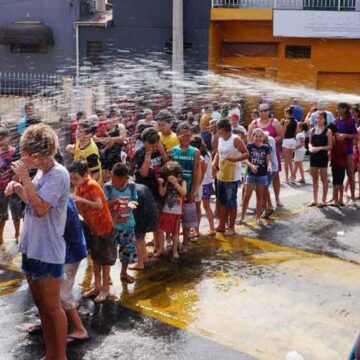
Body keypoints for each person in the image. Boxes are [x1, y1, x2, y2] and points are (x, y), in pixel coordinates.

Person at [5, 123, 70, 359]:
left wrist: (24, 178)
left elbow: (42, 208)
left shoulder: (59, 174)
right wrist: (19, 189)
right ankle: (50, 352)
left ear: (38, 154)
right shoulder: (42, 172)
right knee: (41, 305)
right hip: (32, 246)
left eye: (24, 153)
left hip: (47, 250)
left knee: (53, 308)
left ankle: (59, 355)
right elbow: (35, 200)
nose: (21, 156)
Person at [68, 160, 116, 303]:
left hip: (104, 228)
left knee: (105, 261)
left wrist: (80, 200)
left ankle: (105, 289)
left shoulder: (91, 185)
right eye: (71, 178)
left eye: (75, 177)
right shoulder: (79, 187)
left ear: (85, 175)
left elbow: (99, 205)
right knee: (95, 259)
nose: (73, 181)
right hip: (92, 229)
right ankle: (97, 286)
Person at [213, 119, 248, 235]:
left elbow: (246, 153)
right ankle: (222, 225)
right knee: (222, 201)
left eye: (217, 129)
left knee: (231, 201)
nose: (216, 131)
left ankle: (231, 227)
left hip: (232, 175)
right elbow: (218, 153)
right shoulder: (220, 138)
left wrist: (236, 159)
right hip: (221, 174)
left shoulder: (235, 139)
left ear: (222, 129)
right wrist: (214, 164)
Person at [104, 163, 138, 283]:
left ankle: (123, 273)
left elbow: (135, 200)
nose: (112, 180)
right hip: (112, 226)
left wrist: (131, 204)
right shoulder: (108, 187)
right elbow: (104, 205)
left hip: (127, 224)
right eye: (112, 177)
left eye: (115, 179)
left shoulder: (132, 186)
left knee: (127, 251)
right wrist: (115, 202)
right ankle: (106, 276)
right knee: (109, 252)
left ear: (125, 178)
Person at [62, 197, 89, 345]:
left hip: (69, 254)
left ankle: (80, 330)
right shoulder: (62, 197)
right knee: (54, 292)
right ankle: (48, 321)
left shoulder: (60, 201)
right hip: (68, 252)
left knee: (62, 294)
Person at [170, 122, 200, 252]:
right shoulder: (173, 151)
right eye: (184, 135)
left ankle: (185, 243)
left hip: (188, 189)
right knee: (174, 218)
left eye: (189, 135)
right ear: (178, 136)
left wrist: (192, 192)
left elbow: (196, 173)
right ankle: (173, 242)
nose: (186, 138)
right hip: (175, 190)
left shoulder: (195, 152)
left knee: (187, 219)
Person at [247, 103, 283, 207]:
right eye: (261, 110)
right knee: (259, 177)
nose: (264, 112)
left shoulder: (274, 122)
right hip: (258, 154)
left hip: (272, 153)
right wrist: (257, 145)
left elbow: (280, 136)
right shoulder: (254, 123)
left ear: (269, 111)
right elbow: (249, 138)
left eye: (266, 110)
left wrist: (268, 141)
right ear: (258, 112)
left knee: (275, 176)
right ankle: (264, 202)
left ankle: (277, 199)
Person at [240, 128, 271, 225]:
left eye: (260, 136)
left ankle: (258, 218)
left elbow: (268, 161)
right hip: (251, 174)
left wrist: (269, 167)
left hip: (262, 174)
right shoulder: (249, 146)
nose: (258, 138)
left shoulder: (266, 147)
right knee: (246, 196)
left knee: (260, 196)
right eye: (256, 136)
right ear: (252, 137)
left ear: (263, 138)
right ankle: (242, 217)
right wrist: (251, 166)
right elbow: (244, 159)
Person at [157, 161, 187, 259]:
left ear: (178, 174)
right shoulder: (167, 182)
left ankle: (174, 251)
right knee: (160, 229)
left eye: (174, 176)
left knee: (175, 232)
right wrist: (161, 184)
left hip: (176, 212)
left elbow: (183, 193)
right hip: (166, 210)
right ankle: (161, 248)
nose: (171, 178)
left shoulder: (182, 182)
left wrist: (176, 183)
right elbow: (162, 193)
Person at [0, 126, 22, 244]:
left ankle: (17, 234)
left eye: (4, 138)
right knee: (1, 214)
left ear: (9, 138)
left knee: (16, 213)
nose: (2, 141)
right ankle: (1, 237)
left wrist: (15, 180)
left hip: (14, 187)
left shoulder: (14, 152)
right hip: (1, 188)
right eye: (0, 139)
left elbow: (19, 167)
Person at [130, 183, 159, 270]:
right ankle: (144, 258)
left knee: (138, 239)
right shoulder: (142, 186)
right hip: (151, 214)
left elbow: (134, 208)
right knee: (142, 238)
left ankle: (140, 263)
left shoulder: (132, 191)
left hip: (142, 216)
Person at [66, 118, 103, 185]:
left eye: (80, 131)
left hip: (91, 185)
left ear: (88, 135)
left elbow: (96, 174)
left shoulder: (91, 152)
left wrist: (86, 186)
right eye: (77, 129)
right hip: (81, 179)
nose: (77, 132)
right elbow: (77, 146)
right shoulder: (81, 139)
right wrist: (70, 146)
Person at [308, 111, 333, 207]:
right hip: (313, 156)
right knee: (314, 179)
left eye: (321, 118)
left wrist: (318, 148)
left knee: (324, 179)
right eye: (317, 118)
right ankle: (314, 200)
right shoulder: (312, 130)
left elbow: (330, 146)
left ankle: (323, 200)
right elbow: (310, 142)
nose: (318, 120)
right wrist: (310, 147)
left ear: (325, 119)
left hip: (322, 157)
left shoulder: (328, 131)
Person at [335, 102, 358, 206]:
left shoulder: (351, 120)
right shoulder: (336, 121)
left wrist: (345, 135)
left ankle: (352, 197)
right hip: (337, 151)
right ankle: (338, 197)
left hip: (348, 150)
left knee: (350, 174)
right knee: (339, 175)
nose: (338, 110)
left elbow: (354, 135)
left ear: (345, 109)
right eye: (337, 108)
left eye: (339, 108)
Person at [327, 124, 346, 207]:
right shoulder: (340, 136)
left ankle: (335, 200)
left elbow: (330, 148)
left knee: (336, 182)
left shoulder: (333, 137)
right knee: (341, 182)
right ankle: (340, 199)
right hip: (342, 161)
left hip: (336, 161)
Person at [282, 106, 297, 184]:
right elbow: (295, 131)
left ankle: (287, 179)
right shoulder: (295, 121)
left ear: (288, 113)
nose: (284, 114)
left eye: (285, 113)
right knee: (290, 160)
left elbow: (283, 132)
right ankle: (293, 176)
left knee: (286, 161)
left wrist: (283, 124)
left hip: (287, 141)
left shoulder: (286, 121)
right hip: (293, 140)